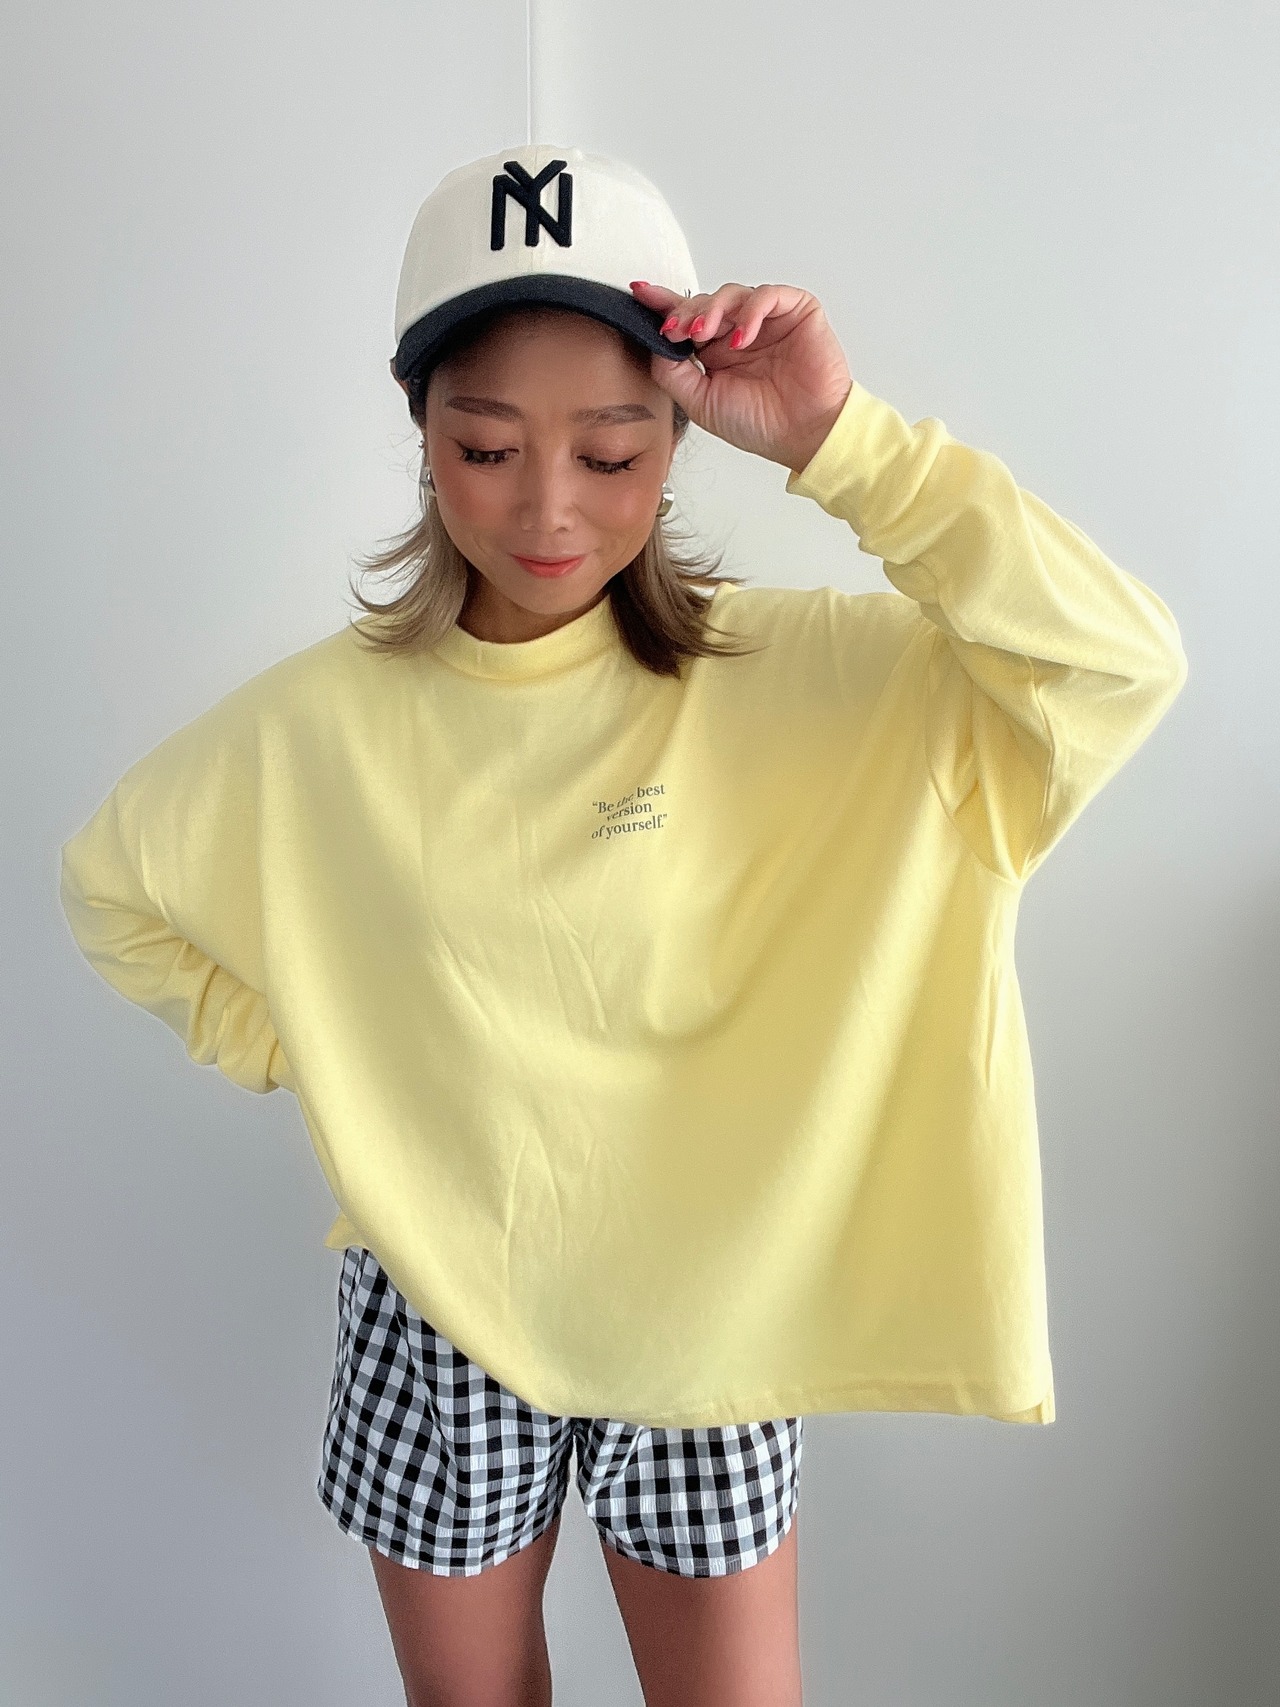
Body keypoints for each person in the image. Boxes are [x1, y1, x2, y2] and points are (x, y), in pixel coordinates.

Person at [58, 145, 1188, 1707]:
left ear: (678, 435)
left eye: (609, 450)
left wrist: (845, 443)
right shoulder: (310, 731)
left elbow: (1116, 668)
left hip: (708, 1324)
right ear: (421, 432)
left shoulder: (811, 688)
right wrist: (327, 1050)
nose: (547, 507)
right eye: (486, 445)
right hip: (437, 1308)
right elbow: (112, 889)